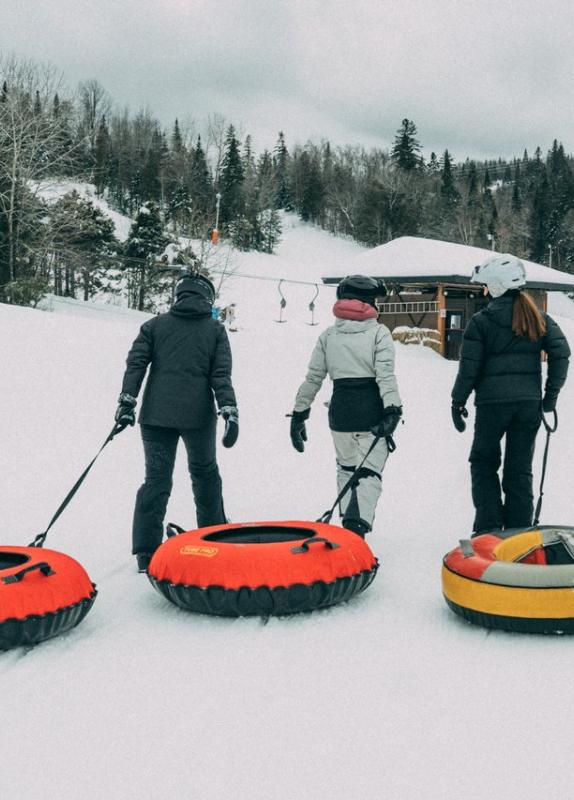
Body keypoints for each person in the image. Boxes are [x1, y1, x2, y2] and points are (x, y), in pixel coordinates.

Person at [115, 274, 239, 572]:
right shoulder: (215, 330)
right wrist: (229, 409)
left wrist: (127, 401)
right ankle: (214, 535)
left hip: (155, 417)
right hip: (197, 418)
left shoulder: (154, 326)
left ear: (178, 296)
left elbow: (136, 364)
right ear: (207, 298)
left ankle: (145, 551)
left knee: (156, 479)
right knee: (205, 473)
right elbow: (220, 376)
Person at [451, 253, 570, 535]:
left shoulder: (481, 321)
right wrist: (549, 398)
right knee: (519, 470)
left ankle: (489, 529)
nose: (483, 290)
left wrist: (458, 401)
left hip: (492, 406)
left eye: (486, 285)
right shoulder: (539, 318)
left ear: (496, 286)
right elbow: (561, 353)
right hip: (528, 406)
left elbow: (469, 368)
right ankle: (519, 532)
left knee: (483, 462)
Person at [290, 274, 402, 537]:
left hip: (340, 414)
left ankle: (346, 532)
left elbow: (313, 378)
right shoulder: (379, 333)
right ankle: (355, 532)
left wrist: (299, 413)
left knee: (347, 469)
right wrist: (393, 410)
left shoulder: (328, 335)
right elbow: (385, 375)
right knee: (368, 474)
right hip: (371, 413)